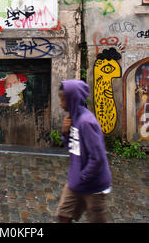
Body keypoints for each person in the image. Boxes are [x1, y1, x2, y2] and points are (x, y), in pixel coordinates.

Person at [56, 79, 112, 223]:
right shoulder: (73, 119)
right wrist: (65, 133)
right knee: (63, 215)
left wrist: (83, 177)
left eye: (63, 99)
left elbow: (98, 157)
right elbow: (73, 149)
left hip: (93, 184)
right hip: (76, 182)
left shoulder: (86, 122)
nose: (61, 103)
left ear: (72, 99)